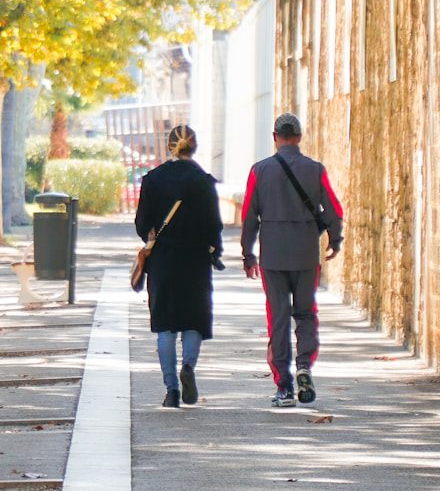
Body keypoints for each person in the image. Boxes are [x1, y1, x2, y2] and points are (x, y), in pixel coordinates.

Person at [240, 113, 343, 408]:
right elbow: (333, 208)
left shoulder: (259, 171)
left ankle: (283, 386)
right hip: (305, 254)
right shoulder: (316, 169)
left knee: (279, 318)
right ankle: (304, 366)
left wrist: (248, 253)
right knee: (306, 313)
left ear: (275, 137)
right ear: (298, 137)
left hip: (273, 255)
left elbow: (249, 214)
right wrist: (334, 240)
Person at [136, 125, 224, 408]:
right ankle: (188, 366)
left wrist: (150, 236)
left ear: (169, 145)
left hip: (163, 260)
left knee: (165, 326)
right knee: (193, 320)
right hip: (195, 260)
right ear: (193, 147)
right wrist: (214, 250)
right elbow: (214, 225)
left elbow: (141, 223)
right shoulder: (203, 181)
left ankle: (171, 390)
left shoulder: (153, 180)